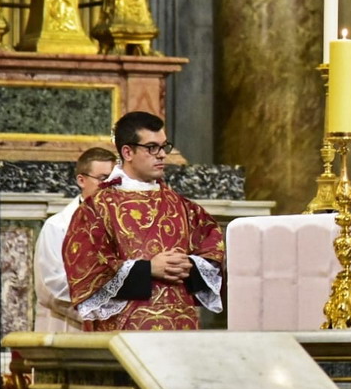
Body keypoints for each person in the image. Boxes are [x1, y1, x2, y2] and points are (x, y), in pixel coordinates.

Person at [63, 111, 225, 331]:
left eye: (163, 146)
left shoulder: (183, 206)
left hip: (181, 328)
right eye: (152, 148)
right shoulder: (97, 208)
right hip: (124, 333)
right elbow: (87, 271)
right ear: (127, 152)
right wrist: (147, 269)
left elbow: (213, 247)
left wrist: (190, 265)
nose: (162, 155)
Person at [33, 148, 117, 332]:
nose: (109, 186)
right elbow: (51, 287)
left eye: (114, 179)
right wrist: (103, 312)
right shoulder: (57, 226)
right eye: (103, 178)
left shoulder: (123, 226)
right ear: (81, 180)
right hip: (70, 327)